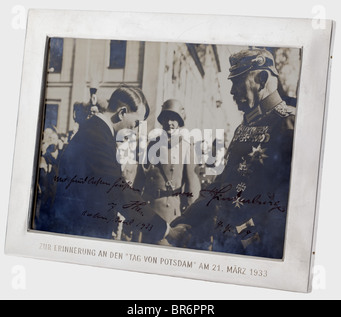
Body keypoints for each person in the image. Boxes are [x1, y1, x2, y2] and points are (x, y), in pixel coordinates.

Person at [170, 48, 296, 259]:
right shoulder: (244, 126)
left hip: (258, 251)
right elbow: (223, 184)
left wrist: (248, 236)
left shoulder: (289, 125)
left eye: (237, 82)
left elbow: (288, 203)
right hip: (226, 244)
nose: (231, 91)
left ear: (262, 79)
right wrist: (185, 221)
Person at [34, 85, 189, 244]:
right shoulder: (97, 138)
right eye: (135, 123)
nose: (134, 130)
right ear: (121, 113)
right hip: (80, 233)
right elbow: (118, 192)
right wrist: (167, 231)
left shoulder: (97, 131)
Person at [133, 99, 201, 244]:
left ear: (179, 122)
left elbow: (192, 188)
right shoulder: (152, 144)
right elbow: (140, 178)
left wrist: (190, 218)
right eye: (166, 118)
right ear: (161, 121)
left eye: (174, 119)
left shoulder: (187, 147)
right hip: (148, 208)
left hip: (169, 213)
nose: (169, 123)